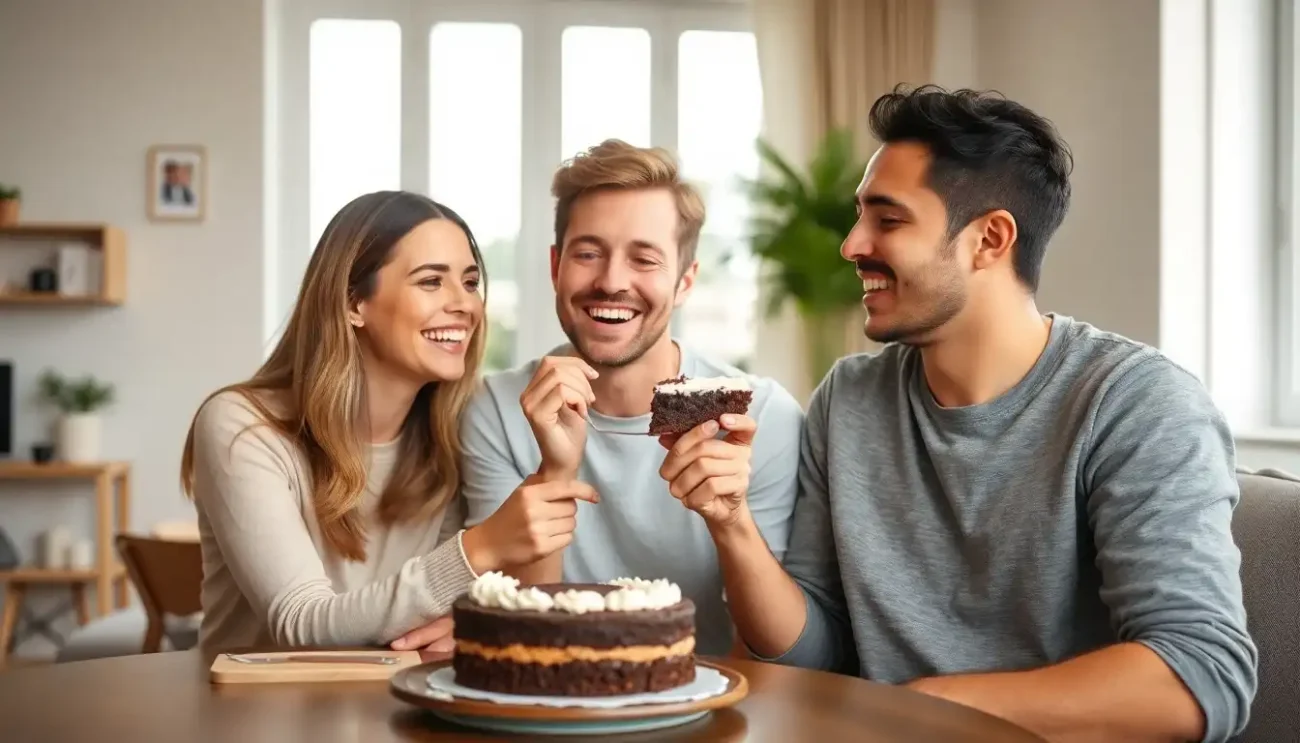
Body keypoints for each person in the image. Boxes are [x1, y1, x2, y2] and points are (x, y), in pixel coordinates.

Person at [675, 86, 1258, 742]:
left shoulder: (1137, 403)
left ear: (989, 238)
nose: (850, 245)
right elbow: (815, 648)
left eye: (887, 220)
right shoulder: (850, 398)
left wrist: (929, 705)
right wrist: (731, 522)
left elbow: (1203, 675)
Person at [179, 191, 596, 655]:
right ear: (353, 303)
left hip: (401, 717)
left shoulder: (454, 430)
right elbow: (300, 623)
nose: (465, 305)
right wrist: (481, 549)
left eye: (471, 281)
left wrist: (555, 471)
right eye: (431, 282)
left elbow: (470, 616)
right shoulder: (243, 428)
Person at [455, 139, 804, 656]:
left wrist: (730, 521)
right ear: (555, 267)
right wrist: (555, 469)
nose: (612, 281)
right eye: (589, 253)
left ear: (685, 281)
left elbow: (778, 648)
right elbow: (523, 643)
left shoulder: (762, 415)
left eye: (644, 259)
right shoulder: (499, 411)